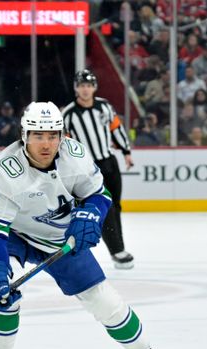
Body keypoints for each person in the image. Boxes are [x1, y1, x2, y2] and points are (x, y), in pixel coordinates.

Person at [0, 101, 176, 349]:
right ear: (24, 135)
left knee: (106, 302)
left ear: (62, 135)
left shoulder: (76, 157)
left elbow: (100, 194)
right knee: (3, 296)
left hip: (61, 240)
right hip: (15, 237)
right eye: (38, 135)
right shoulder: (5, 172)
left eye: (52, 135)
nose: (46, 143)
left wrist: (90, 213)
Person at [62, 70, 135, 269]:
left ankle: (118, 246)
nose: (85, 89)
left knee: (116, 205)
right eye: (81, 85)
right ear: (76, 88)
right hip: (88, 168)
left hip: (109, 162)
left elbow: (116, 129)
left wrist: (126, 151)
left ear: (94, 87)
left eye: (88, 85)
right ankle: (117, 250)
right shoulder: (68, 114)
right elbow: (64, 144)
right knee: (106, 208)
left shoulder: (104, 107)